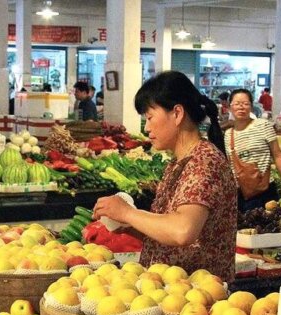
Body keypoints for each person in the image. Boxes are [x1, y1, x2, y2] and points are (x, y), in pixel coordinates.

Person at [92, 71, 237, 282]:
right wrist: (130, 226)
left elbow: (183, 231)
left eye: (150, 117)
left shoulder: (204, 162)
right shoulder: (179, 162)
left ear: (177, 113)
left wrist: (128, 213)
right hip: (171, 289)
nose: (147, 127)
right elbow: (170, 231)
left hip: (196, 294)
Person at [225, 89, 281, 212]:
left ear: (251, 107)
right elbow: (231, 165)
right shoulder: (228, 134)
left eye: (245, 103)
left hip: (265, 191)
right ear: (230, 107)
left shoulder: (263, 125)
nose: (241, 107)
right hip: (240, 194)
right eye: (237, 104)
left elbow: (277, 155)